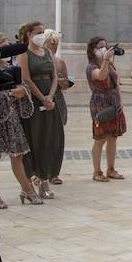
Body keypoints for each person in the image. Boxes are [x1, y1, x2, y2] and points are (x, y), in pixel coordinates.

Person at [0, 33, 34, 209]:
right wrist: (10, 94)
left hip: (12, 117)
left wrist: (23, 92)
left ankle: (27, 189)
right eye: (3, 47)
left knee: (17, 155)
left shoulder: (12, 66)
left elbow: (22, 85)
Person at [18, 21, 62, 200]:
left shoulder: (48, 52)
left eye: (43, 32)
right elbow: (26, 79)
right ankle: (29, 181)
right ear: (29, 34)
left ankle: (45, 179)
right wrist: (42, 98)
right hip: (34, 102)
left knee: (51, 139)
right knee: (34, 139)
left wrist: (50, 96)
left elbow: (54, 77)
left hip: (50, 100)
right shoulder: (24, 53)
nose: (42, 35)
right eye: (38, 32)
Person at [86, 36, 127, 182]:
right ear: (92, 50)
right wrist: (106, 60)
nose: (103, 49)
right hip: (100, 102)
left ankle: (111, 168)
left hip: (114, 101)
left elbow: (116, 83)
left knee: (113, 137)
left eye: (105, 46)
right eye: (99, 47)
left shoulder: (111, 64)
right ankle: (97, 171)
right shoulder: (91, 67)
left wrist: (120, 101)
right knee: (100, 138)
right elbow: (101, 77)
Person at [45, 30, 71, 185]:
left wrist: (62, 82)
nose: (54, 45)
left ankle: (54, 172)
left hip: (58, 99)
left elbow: (66, 83)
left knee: (56, 137)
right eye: (51, 41)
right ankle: (40, 171)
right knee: (43, 136)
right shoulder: (37, 60)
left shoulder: (60, 62)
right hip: (44, 98)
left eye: (56, 42)